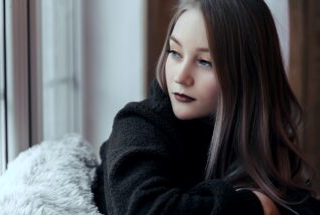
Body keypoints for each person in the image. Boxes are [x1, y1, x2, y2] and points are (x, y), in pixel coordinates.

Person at [91, 0, 320, 214]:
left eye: (204, 62)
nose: (181, 77)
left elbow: (298, 205)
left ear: (247, 75)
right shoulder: (138, 125)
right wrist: (254, 206)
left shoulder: (258, 140)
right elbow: (144, 209)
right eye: (175, 52)